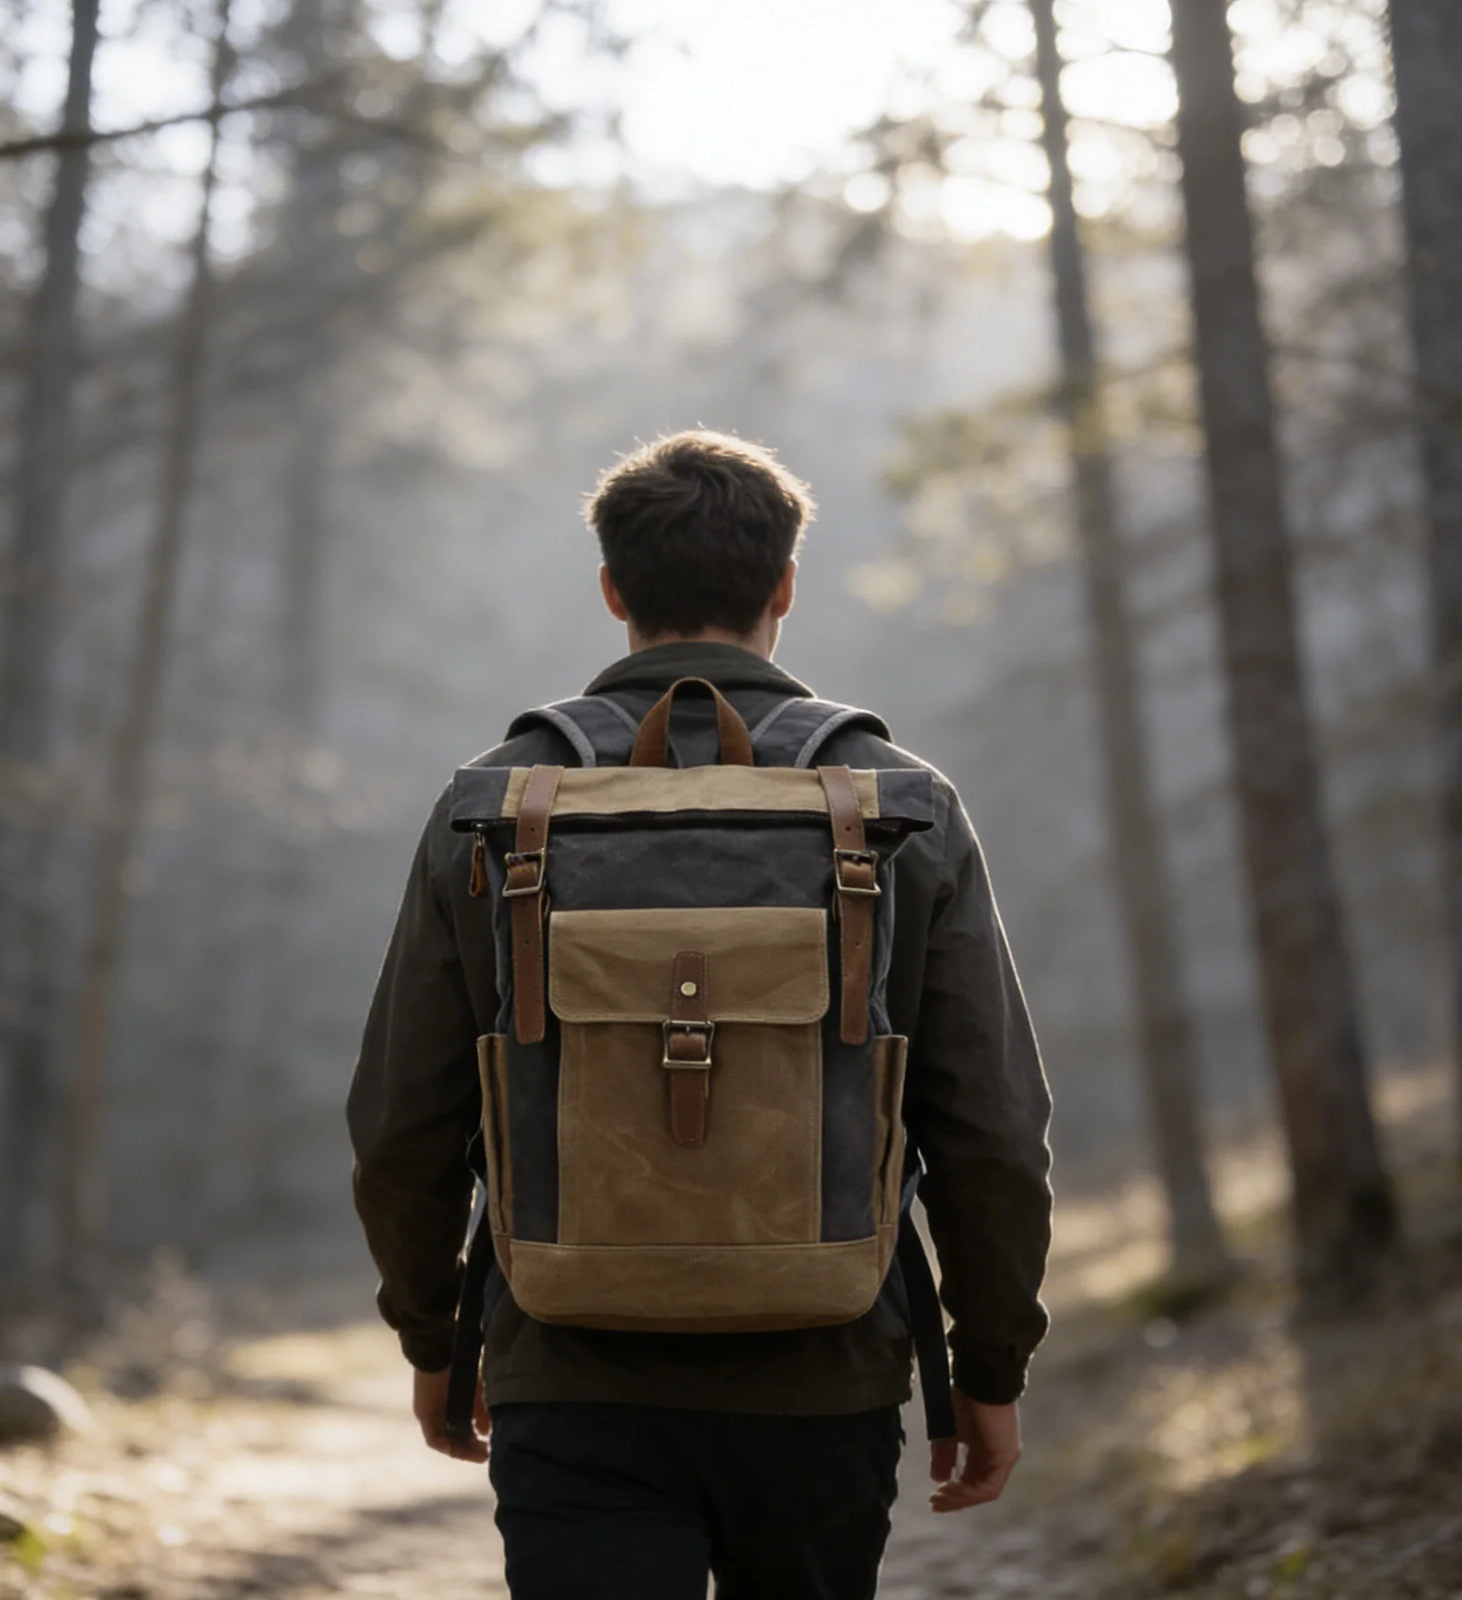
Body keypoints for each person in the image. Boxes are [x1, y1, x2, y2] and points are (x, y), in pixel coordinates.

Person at [347, 429, 1052, 1600]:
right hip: (823, 1374)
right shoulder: (899, 805)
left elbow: (399, 1123)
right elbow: (989, 1125)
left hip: (570, 1369)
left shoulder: (495, 806)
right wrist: (987, 1369)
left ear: (614, 592)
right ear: (784, 587)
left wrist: (439, 1341)